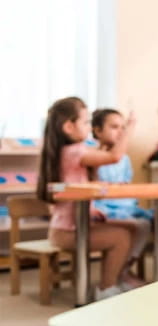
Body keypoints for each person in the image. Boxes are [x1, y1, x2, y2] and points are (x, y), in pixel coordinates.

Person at [37, 97, 144, 300]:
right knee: (121, 237)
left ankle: (118, 279)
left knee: (132, 228)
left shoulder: (64, 152)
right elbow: (114, 156)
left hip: (66, 228)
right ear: (69, 127)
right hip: (68, 232)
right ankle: (106, 288)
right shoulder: (75, 151)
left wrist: (93, 207)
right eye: (85, 122)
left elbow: (76, 187)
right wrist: (130, 127)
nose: (89, 127)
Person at [91, 108, 152, 278]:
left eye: (122, 127)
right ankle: (119, 273)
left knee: (145, 223)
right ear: (97, 131)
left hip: (125, 205)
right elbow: (93, 185)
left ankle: (124, 269)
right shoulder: (93, 156)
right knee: (137, 226)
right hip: (104, 208)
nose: (120, 132)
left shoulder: (124, 158)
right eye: (114, 127)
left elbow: (126, 182)